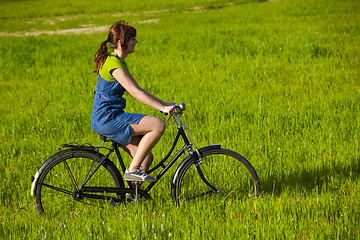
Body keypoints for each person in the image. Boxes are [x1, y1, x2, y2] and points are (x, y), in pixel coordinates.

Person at [91, 21, 176, 182]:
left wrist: (166, 105)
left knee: (145, 157)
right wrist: (162, 109)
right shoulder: (112, 63)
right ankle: (132, 170)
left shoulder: (120, 63)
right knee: (158, 125)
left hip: (112, 116)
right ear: (122, 42)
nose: (136, 42)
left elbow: (140, 90)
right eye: (133, 39)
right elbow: (135, 93)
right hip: (107, 119)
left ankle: (132, 198)